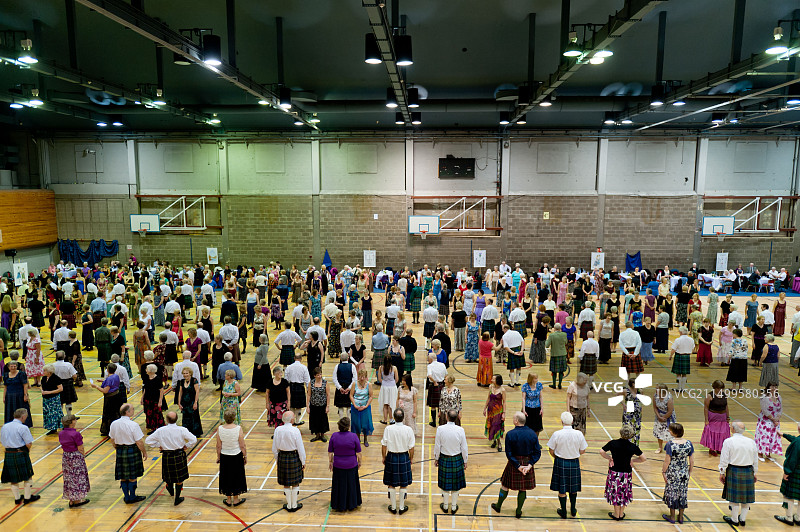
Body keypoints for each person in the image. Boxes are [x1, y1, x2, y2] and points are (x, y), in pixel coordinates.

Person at [491, 411, 542, 519]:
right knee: (523, 488)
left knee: (505, 486)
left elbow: (508, 453)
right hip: (527, 463)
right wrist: (529, 465)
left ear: (516, 421)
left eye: (514, 418)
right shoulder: (532, 434)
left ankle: (498, 506)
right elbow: (537, 452)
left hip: (514, 463)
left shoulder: (510, 434)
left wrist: (518, 466)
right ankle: (518, 511)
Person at [145, 411, 197, 506]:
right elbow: (194, 439)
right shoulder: (182, 430)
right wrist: (187, 445)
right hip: (179, 455)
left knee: (168, 475)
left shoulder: (160, 430)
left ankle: (169, 488)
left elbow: (148, 441)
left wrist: (158, 445)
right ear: (177, 419)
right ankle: (177, 499)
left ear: (166, 420)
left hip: (167, 455)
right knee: (179, 478)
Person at [600, 425, 646, 520]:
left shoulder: (613, 443)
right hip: (626, 474)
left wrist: (609, 458)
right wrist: (633, 461)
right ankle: (621, 513)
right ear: (631, 435)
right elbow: (643, 458)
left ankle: (616, 514)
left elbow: (601, 451)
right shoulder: (632, 446)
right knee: (624, 492)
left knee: (616, 492)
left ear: (621, 433)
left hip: (614, 472)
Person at [548, 411, 588, 519]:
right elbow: (583, 450)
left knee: (562, 488)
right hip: (574, 462)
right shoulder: (579, 434)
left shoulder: (557, 434)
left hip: (560, 462)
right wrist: (574, 454)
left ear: (561, 422)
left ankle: (564, 511)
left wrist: (557, 458)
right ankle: (573, 509)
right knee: (573, 487)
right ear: (572, 421)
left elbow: (551, 450)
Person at [719, 420, 759, 527]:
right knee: (746, 497)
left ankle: (734, 519)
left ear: (732, 429)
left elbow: (724, 459)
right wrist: (755, 472)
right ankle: (742, 519)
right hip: (748, 471)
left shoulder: (728, 441)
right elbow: (755, 459)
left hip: (734, 470)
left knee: (734, 497)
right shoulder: (751, 442)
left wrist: (722, 472)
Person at [109, 403, 147, 504]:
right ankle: (132, 496)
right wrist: (144, 452)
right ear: (127, 412)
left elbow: (112, 439)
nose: (134, 410)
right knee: (132, 476)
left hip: (120, 450)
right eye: (132, 409)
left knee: (123, 476)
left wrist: (117, 448)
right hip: (132, 450)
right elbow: (139, 442)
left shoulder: (114, 423)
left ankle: (126, 497)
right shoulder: (133, 425)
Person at [1, 408, 39, 505]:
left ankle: (17, 499)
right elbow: (28, 443)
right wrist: (27, 452)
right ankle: (27, 498)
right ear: (23, 417)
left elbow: (2, 441)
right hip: (20, 453)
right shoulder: (23, 428)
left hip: (8, 453)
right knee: (28, 476)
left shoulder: (5, 426)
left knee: (13, 479)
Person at [434, 409, 469, 514]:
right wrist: (465, 460)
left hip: (444, 459)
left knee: (445, 485)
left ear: (447, 417)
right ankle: (453, 507)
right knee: (455, 485)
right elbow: (464, 447)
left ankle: (445, 506)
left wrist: (436, 458)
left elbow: (437, 446)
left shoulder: (440, 429)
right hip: (457, 459)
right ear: (457, 417)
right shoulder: (460, 430)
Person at [381, 408, 415, 514]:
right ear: (403, 417)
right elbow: (411, 447)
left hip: (391, 457)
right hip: (404, 456)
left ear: (394, 418)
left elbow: (384, 445)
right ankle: (401, 507)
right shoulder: (408, 429)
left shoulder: (388, 429)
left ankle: (393, 507)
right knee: (403, 483)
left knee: (391, 483)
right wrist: (411, 458)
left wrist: (384, 457)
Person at [273, 410, 306, 512]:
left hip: (282, 456)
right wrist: (303, 461)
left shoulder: (278, 430)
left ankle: (289, 505)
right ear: (292, 420)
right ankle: (294, 505)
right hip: (294, 457)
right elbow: (300, 448)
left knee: (286, 482)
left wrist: (277, 459)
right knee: (295, 482)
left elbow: (274, 448)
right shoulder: (295, 430)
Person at [661, 422, 694, 524]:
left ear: (673, 433)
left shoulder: (670, 444)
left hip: (673, 472)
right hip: (684, 472)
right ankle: (680, 517)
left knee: (672, 493)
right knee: (682, 493)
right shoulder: (689, 443)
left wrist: (663, 471)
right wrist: (689, 472)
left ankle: (672, 517)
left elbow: (667, 461)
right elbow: (692, 461)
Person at [328, 416, 363, 512]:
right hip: (351, 465)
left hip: (338, 465)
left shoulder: (334, 436)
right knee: (352, 485)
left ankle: (339, 504)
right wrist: (359, 462)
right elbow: (358, 453)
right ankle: (352, 503)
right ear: (348, 426)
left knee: (339, 485)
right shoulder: (353, 436)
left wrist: (330, 462)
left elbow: (330, 452)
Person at [216, 407, 247, 507]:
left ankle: (228, 499)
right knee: (237, 476)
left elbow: (218, 445)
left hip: (225, 456)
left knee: (226, 476)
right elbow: (242, 444)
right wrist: (245, 455)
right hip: (236, 455)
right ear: (234, 418)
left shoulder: (220, 429)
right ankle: (236, 499)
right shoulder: (238, 428)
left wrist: (218, 456)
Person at [59, 414, 90, 507]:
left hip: (66, 456)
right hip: (75, 456)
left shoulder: (61, 433)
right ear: (71, 423)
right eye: (74, 420)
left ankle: (71, 499)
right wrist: (83, 456)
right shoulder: (76, 434)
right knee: (77, 477)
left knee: (69, 477)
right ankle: (77, 500)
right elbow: (80, 447)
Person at [776, 422, 800, 525]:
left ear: (798, 428)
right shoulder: (797, 441)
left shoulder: (797, 442)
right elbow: (795, 439)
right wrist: (783, 435)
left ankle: (788, 517)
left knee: (788, 495)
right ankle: (798, 518)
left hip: (795, 472)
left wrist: (787, 472)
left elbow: (792, 459)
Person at [700, 380, 730, 456]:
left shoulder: (724, 395)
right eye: (719, 388)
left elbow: (726, 406)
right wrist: (706, 420)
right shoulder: (709, 396)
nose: (721, 390)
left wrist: (727, 416)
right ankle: (712, 448)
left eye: (722, 388)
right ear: (715, 388)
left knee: (722, 432)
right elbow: (706, 408)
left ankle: (719, 448)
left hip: (722, 416)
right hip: (713, 416)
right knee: (713, 433)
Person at [92, 362, 123, 436]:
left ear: (107, 370)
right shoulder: (116, 376)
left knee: (109, 414)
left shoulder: (109, 379)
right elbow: (112, 383)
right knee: (116, 413)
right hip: (116, 396)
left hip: (110, 399)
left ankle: (108, 430)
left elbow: (105, 391)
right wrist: (103, 381)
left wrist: (96, 386)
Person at [755, 382, 782, 460]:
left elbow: (781, 409)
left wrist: (777, 418)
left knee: (772, 437)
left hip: (775, 422)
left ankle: (768, 454)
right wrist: (773, 419)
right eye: (772, 386)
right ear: (768, 387)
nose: (774, 388)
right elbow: (765, 410)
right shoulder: (764, 397)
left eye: (775, 386)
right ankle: (760, 454)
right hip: (765, 421)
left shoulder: (779, 397)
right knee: (764, 436)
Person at [350, 368, 374, 447]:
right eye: (360, 376)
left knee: (365, 424)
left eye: (363, 376)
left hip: (365, 407)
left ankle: (365, 439)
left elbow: (371, 396)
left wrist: (366, 406)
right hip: (355, 407)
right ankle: (357, 439)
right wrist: (355, 405)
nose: (362, 378)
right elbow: (351, 395)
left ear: (366, 377)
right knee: (356, 424)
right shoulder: (354, 384)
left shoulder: (369, 385)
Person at [4, 361, 31, 427]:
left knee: (21, 409)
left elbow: (25, 385)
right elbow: (5, 387)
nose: (13, 368)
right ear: (8, 367)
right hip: (9, 396)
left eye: (14, 366)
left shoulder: (21, 374)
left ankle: (24, 423)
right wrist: (4, 397)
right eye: (11, 366)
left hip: (20, 395)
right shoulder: (6, 375)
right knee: (10, 411)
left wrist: (25, 395)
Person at [285, 353, 310, 424]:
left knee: (292, 405)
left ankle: (291, 421)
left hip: (291, 387)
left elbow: (286, 379)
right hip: (300, 387)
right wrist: (308, 390)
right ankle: (298, 420)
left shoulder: (289, 367)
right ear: (301, 358)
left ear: (294, 358)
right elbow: (307, 380)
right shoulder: (304, 367)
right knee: (299, 406)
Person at [177, 367, 203, 437]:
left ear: (190, 373)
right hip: (185, 403)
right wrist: (179, 403)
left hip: (192, 402)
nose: (185, 375)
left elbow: (197, 391)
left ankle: (195, 432)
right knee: (185, 417)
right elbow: (180, 392)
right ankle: (186, 432)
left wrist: (195, 402)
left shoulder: (194, 380)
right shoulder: (182, 381)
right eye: (184, 373)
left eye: (187, 373)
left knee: (194, 417)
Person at [307, 366, 330, 442]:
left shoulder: (325, 383)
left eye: (320, 374)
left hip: (322, 405)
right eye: (318, 375)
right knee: (315, 420)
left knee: (322, 420)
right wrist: (308, 406)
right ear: (314, 376)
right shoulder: (311, 383)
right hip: (313, 405)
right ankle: (317, 435)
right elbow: (309, 394)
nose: (320, 376)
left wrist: (327, 406)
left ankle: (322, 435)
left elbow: (328, 395)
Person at [484, 374, 506, 451]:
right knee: (491, 425)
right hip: (490, 410)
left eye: (493, 379)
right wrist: (484, 408)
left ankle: (499, 442)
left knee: (497, 426)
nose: (491, 380)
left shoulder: (502, 390)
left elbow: (504, 402)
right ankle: (494, 440)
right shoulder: (490, 387)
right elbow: (488, 398)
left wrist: (504, 413)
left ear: (497, 380)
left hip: (498, 411)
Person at [652, 383, 676, 453]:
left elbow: (670, 411)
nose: (655, 390)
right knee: (659, 432)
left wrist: (663, 418)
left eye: (657, 389)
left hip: (668, 417)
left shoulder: (669, 398)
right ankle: (660, 447)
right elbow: (655, 407)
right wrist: (659, 417)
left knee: (670, 433)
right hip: (659, 416)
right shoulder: (655, 396)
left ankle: (671, 447)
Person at [669, 326, 694, 392]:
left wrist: (670, 356)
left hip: (679, 356)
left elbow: (673, 349)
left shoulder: (678, 339)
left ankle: (678, 388)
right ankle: (682, 388)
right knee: (684, 373)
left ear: (681, 332)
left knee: (678, 373)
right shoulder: (691, 339)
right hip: (687, 356)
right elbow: (693, 348)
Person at [40, 365, 64, 435]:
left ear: (49, 372)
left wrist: (49, 392)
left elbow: (60, 389)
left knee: (55, 413)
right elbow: (41, 385)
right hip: (45, 399)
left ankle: (60, 426)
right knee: (48, 413)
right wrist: (42, 390)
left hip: (54, 399)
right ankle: (52, 428)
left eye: (45, 370)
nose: (43, 372)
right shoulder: (44, 378)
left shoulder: (55, 378)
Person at [426, 353, 447, 428]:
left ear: (431, 359)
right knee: (441, 405)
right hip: (442, 385)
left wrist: (434, 382)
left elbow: (429, 375)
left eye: (428, 358)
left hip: (433, 385)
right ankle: (441, 421)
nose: (428, 360)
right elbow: (445, 375)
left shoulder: (430, 366)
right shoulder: (442, 365)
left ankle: (434, 422)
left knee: (433, 406)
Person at [378, 355, 399, 425]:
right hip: (392, 387)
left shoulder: (381, 368)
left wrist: (384, 383)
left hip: (384, 387)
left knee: (385, 404)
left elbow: (379, 379)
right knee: (391, 403)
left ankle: (384, 419)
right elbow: (397, 379)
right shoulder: (394, 368)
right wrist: (392, 383)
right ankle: (391, 419)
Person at [546, 323, 568, 389]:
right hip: (563, 354)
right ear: (560, 328)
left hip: (554, 354)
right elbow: (566, 342)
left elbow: (547, 345)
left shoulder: (551, 335)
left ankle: (554, 384)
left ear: (554, 328)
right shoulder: (564, 334)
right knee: (561, 371)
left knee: (554, 371)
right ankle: (560, 384)